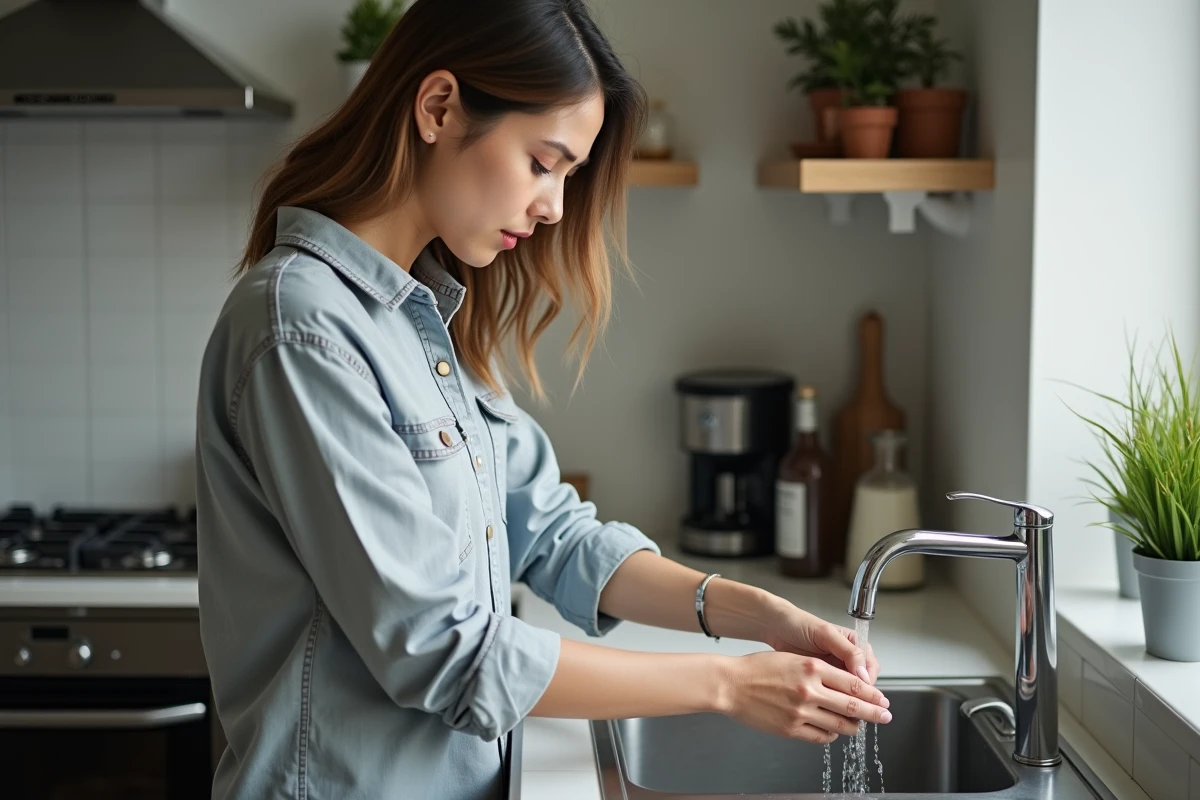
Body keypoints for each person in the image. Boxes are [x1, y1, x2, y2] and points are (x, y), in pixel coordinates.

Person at [194, 1, 891, 798]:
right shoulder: (302, 327)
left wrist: (757, 614)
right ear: (438, 108)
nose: (554, 206)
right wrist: (727, 684)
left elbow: (554, 536)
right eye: (542, 162)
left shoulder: (425, 318)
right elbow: (443, 650)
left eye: (567, 174)